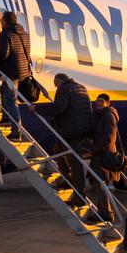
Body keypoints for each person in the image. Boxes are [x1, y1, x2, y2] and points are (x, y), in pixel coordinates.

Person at [31, 73, 94, 202]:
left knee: (75, 163)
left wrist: (37, 108)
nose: (56, 87)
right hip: (82, 129)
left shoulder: (64, 89)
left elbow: (59, 108)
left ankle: (79, 196)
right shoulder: (81, 87)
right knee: (58, 150)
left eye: (56, 85)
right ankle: (66, 179)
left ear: (60, 81)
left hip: (70, 131)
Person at [0, 11, 31, 139]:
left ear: (5, 21)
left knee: (11, 100)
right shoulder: (25, 34)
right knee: (5, 93)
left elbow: (3, 54)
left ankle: (16, 132)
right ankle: (5, 118)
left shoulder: (5, 34)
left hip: (11, 72)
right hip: (22, 71)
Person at [88, 93, 120, 222]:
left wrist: (93, 150)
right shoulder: (101, 115)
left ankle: (107, 213)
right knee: (99, 183)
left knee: (99, 183)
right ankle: (102, 212)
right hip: (100, 153)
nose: (98, 103)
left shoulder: (108, 116)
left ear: (108, 102)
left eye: (101, 101)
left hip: (103, 154)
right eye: (97, 101)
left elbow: (109, 137)